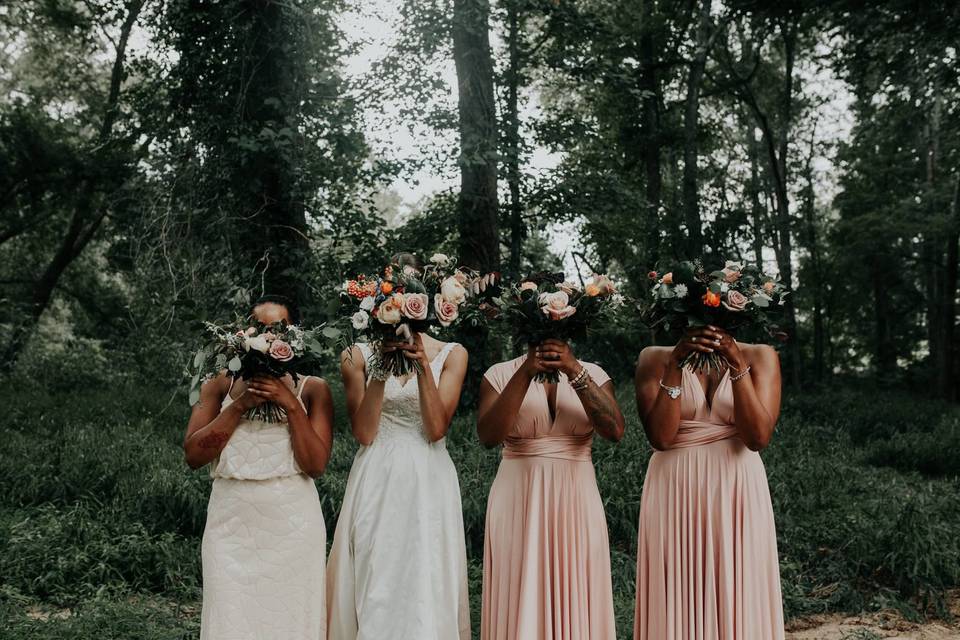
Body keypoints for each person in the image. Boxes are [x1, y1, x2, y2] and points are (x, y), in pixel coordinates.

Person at [326, 254, 471, 640]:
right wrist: (380, 371)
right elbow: (365, 432)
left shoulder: (453, 355)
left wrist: (422, 365)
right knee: (377, 570)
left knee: (427, 573)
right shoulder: (355, 355)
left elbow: (437, 428)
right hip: (377, 471)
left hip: (429, 474)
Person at [184, 295, 334, 640]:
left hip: (293, 525)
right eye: (261, 329)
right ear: (245, 335)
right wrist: (240, 405)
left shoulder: (314, 390)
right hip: (231, 522)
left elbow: (315, 465)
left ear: (294, 336)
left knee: (290, 620)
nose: (269, 338)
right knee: (231, 618)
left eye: (278, 329)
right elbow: (193, 455)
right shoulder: (219, 383)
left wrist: (290, 405)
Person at [633, 326, 784, 640]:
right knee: (677, 583)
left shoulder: (761, 356)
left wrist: (736, 364)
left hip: (737, 488)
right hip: (674, 489)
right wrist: (676, 364)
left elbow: (757, 437)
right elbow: (660, 437)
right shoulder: (654, 358)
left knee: (739, 582)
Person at [477, 335, 625, 640]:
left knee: (577, 584)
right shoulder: (499, 374)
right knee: (520, 585)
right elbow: (489, 436)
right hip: (519, 498)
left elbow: (614, 430)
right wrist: (526, 371)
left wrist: (573, 369)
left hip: (577, 497)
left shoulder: (593, 373)